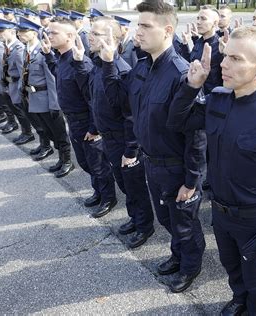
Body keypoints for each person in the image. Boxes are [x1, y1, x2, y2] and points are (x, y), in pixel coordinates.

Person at [168, 25, 256, 316]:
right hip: (220, 212)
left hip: (255, 221)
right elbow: (177, 121)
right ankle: (238, 298)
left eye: (236, 59)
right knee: (232, 267)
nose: (224, 64)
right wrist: (191, 86)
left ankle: (254, 308)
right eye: (226, 55)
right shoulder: (218, 98)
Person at [102, 0, 206, 293]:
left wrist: (192, 180)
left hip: (175, 165)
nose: (139, 31)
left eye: (146, 25)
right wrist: (109, 62)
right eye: (139, 25)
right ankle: (178, 255)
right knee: (167, 218)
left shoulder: (181, 73)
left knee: (184, 221)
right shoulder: (143, 67)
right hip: (152, 161)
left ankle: (190, 266)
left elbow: (196, 136)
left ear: (167, 30)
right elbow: (121, 104)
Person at [72, 15, 155, 248]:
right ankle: (134, 218)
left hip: (123, 140)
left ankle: (144, 225)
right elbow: (92, 98)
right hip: (108, 138)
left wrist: (130, 150)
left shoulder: (121, 70)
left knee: (135, 186)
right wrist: (79, 63)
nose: (90, 36)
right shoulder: (98, 65)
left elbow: (130, 117)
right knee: (124, 184)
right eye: (91, 31)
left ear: (113, 39)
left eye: (96, 33)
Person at [42, 17, 118, 210]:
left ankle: (108, 197)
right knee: (86, 163)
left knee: (98, 164)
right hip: (73, 121)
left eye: (53, 33)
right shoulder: (61, 58)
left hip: (85, 122)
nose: (49, 36)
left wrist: (94, 128)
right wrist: (48, 56)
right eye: (49, 32)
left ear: (69, 36)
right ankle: (98, 191)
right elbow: (58, 74)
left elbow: (92, 99)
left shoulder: (80, 62)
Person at [16, 17, 72, 166]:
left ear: (34, 33)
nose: (20, 34)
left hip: (47, 100)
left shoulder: (43, 51)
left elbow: (52, 80)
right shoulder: (27, 50)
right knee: (47, 131)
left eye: (23, 31)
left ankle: (66, 161)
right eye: (19, 31)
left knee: (58, 132)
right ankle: (60, 158)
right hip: (34, 98)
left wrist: (55, 105)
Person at [0, 18, 35, 144]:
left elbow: (23, 74)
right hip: (10, 85)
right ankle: (25, 131)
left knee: (21, 111)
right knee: (18, 111)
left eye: (2, 31)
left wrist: (21, 91)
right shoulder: (8, 47)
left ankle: (27, 133)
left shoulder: (18, 50)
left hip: (17, 86)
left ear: (12, 32)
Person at [180, 5, 222, 94]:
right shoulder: (199, 41)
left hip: (211, 99)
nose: (198, 22)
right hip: (194, 95)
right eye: (198, 18)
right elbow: (188, 63)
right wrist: (185, 44)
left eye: (203, 18)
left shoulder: (220, 47)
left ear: (215, 23)